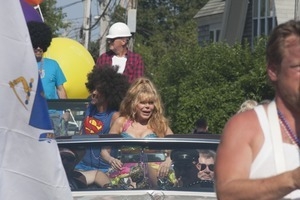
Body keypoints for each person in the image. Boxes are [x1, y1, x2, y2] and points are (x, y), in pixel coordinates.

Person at [215, 20, 300, 199]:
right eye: (298, 67)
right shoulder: (247, 126)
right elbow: (227, 193)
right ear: (273, 70)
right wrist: (293, 179)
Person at [101, 77, 173, 187]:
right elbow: (104, 151)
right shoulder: (121, 122)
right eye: (143, 102)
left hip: (155, 175)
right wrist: (112, 160)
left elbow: (175, 147)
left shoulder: (160, 123)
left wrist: (168, 160)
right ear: (134, 103)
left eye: (151, 102)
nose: (147, 106)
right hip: (126, 175)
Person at [75, 66, 129, 178]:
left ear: (108, 93)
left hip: (105, 169)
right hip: (82, 166)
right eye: (93, 88)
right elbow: (81, 134)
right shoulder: (89, 109)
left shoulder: (114, 116)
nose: (93, 93)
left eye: (99, 90)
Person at [27, 21, 68, 136]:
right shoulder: (24, 64)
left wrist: (66, 111)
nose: (39, 48)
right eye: (35, 45)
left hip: (53, 115)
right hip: (32, 114)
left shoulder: (53, 64)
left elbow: (61, 89)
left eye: (41, 45)